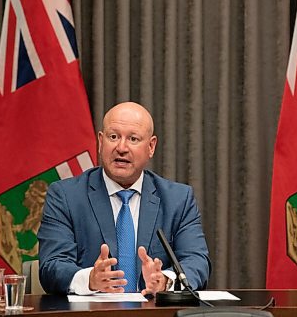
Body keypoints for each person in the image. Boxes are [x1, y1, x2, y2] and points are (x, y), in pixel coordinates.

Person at [38, 102, 210, 295]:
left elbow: (197, 261)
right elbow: (51, 266)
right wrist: (90, 280)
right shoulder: (66, 196)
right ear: (101, 142)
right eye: (113, 137)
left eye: (133, 139)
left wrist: (165, 282)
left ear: (151, 147)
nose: (121, 147)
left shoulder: (178, 199)